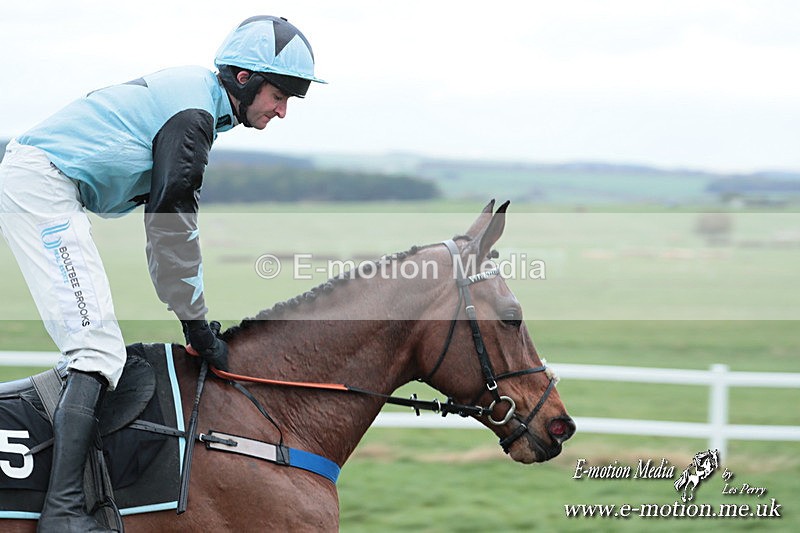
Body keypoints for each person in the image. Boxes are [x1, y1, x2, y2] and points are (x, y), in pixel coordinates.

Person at [0, 15, 324, 532]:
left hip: (49, 185)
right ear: (243, 78)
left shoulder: (200, 107)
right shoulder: (192, 114)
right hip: (41, 185)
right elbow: (173, 225)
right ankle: (62, 515)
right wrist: (196, 325)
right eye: (280, 94)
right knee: (96, 350)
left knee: (97, 348)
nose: (282, 110)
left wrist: (191, 318)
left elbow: (165, 227)